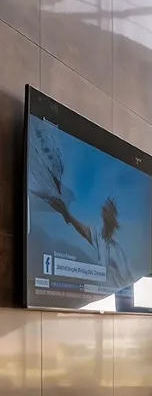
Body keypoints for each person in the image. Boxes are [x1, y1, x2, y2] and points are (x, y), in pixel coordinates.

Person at [28, 119, 133, 291]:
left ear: (111, 215)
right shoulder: (99, 235)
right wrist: (65, 212)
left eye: (106, 209)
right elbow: (83, 230)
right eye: (103, 207)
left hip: (108, 297)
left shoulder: (117, 250)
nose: (102, 210)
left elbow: (128, 282)